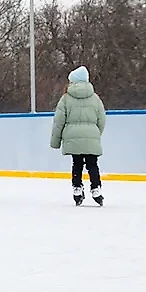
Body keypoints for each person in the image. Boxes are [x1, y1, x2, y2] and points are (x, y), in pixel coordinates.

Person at [50, 65, 107, 206]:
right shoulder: (95, 98)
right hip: (91, 137)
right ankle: (96, 188)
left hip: (73, 137)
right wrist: (95, 134)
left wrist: (55, 142)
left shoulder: (65, 99)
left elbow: (58, 121)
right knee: (92, 165)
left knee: (77, 164)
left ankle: (77, 188)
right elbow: (102, 119)